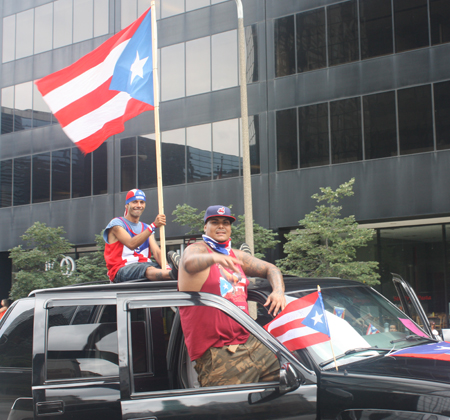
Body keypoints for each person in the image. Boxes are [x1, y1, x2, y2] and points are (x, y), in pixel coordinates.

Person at [176, 205, 286, 387]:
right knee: (232, 410)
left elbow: (271, 268)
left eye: (226, 223)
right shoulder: (197, 250)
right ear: (205, 227)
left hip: (252, 343)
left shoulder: (235, 255)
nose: (221, 226)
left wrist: (278, 291)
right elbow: (188, 263)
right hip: (219, 353)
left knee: (295, 380)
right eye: (215, 222)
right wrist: (214, 258)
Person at [103, 189, 176, 282]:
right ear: (127, 205)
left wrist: (166, 267)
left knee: (163, 267)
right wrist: (153, 226)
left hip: (145, 264)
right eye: (134, 202)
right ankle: (172, 275)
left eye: (142, 202)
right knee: (145, 269)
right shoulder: (116, 224)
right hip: (121, 269)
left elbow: (157, 252)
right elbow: (131, 244)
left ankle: (174, 273)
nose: (139, 205)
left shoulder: (146, 227)